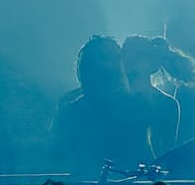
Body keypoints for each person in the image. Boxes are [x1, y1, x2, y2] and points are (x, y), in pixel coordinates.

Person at [55, 33, 177, 171]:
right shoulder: (72, 110)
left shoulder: (143, 106)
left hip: (129, 181)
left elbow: (161, 160)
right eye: (109, 57)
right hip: (96, 180)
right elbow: (56, 157)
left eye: (117, 56)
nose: (118, 62)